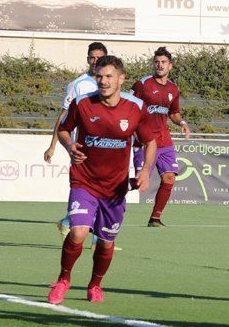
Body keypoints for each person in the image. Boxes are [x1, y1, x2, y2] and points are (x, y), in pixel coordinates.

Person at [47, 56, 157, 305]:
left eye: (109, 76)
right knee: (78, 232)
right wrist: (69, 145)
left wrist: (146, 170)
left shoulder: (135, 107)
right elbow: (64, 129)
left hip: (115, 188)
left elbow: (150, 141)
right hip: (84, 181)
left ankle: (95, 285)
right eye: (99, 76)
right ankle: (64, 280)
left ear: (121, 79)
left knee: (106, 243)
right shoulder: (82, 103)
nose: (103, 81)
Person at [44, 42, 107, 245]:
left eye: (99, 57)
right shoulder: (79, 84)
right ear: (87, 59)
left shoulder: (111, 83)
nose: (95, 61)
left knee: (104, 191)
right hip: (84, 148)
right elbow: (63, 117)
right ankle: (98, 239)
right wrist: (53, 145)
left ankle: (67, 221)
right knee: (91, 191)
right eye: (92, 57)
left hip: (107, 147)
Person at [130, 47, 190, 227]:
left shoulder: (173, 88)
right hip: (145, 141)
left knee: (169, 178)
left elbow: (174, 113)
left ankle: (155, 218)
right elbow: (130, 108)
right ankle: (105, 194)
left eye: (163, 62)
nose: (160, 65)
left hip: (164, 140)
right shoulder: (143, 84)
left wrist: (182, 123)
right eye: (157, 62)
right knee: (139, 182)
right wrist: (134, 133)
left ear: (170, 66)